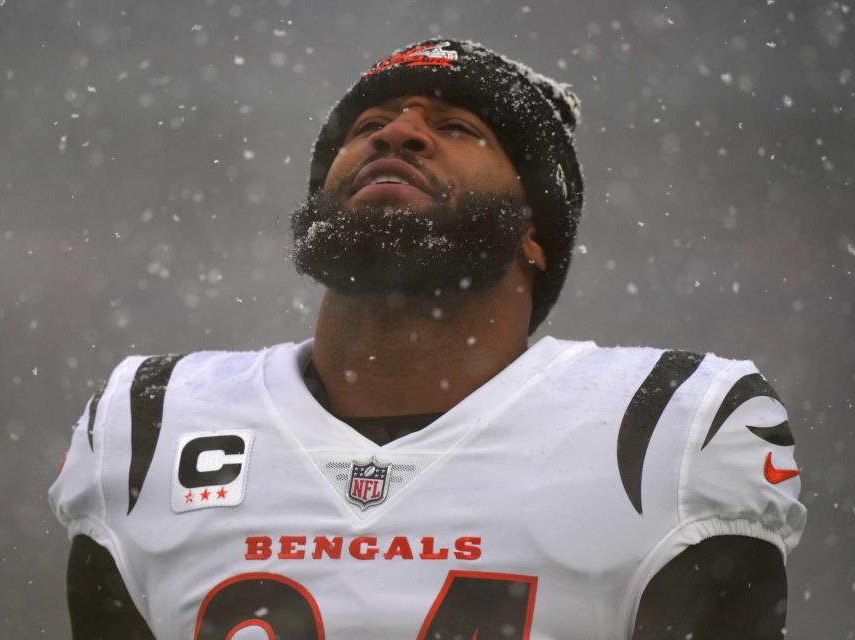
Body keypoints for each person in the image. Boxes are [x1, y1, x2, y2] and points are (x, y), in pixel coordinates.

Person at [49, 39, 806, 639]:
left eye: (455, 129)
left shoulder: (666, 428)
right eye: (369, 127)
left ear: (534, 233)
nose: (400, 134)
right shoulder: (148, 419)